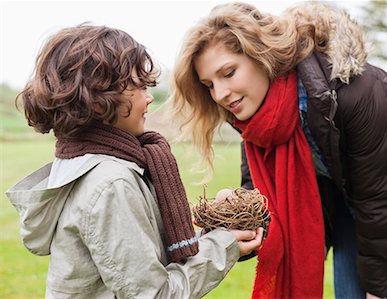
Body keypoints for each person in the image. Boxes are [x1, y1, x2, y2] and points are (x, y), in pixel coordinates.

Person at [169, 2, 387, 299]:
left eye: (228, 73)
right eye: (209, 85)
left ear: (261, 54)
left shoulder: (354, 92)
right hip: (354, 208)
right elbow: (261, 199)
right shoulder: (257, 122)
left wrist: (376, 290)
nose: (220, 94)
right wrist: (236, 211)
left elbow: (380, 197)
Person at [6, 24, 264, 298]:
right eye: (139, 86)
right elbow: (153, 293)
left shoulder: (85, 163)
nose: (150, 96)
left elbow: (142, 265)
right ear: (98, 99)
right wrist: (222, 246)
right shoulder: (110, 183)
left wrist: (218, 237)